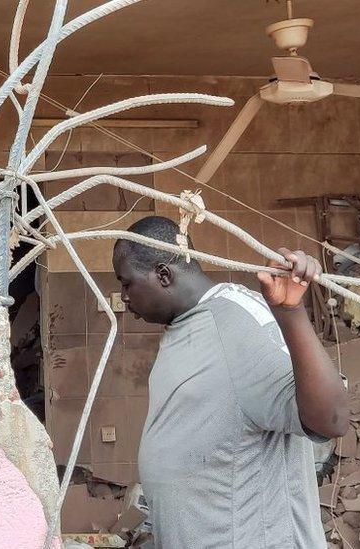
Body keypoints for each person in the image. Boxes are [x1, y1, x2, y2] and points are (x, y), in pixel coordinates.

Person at [111, 216, 347, 548]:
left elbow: (331, 418)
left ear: (163, 275)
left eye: (126, 283)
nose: (123, 297)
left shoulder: (238, 320)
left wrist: (291, 313)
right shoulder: (185, 326)